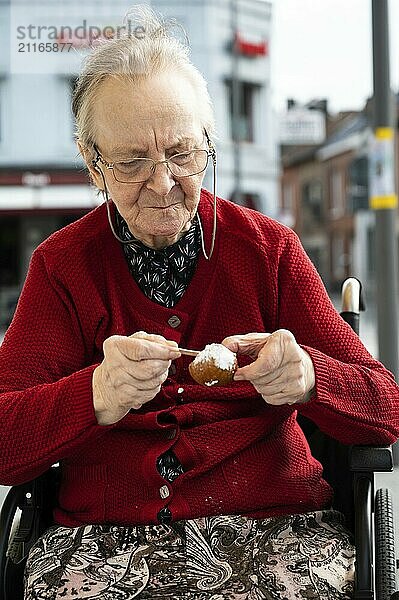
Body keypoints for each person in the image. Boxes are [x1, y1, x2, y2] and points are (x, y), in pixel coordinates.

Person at [1, 6, 399, 600]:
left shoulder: (267, 251)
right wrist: (95, 395)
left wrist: (311, 378)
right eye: (134, 161)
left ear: (207, 144)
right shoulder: (63, 267)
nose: (163, 182)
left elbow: (385, 408)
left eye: (183, 153)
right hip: (105, 537)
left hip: (276, 525)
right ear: (94, 163)